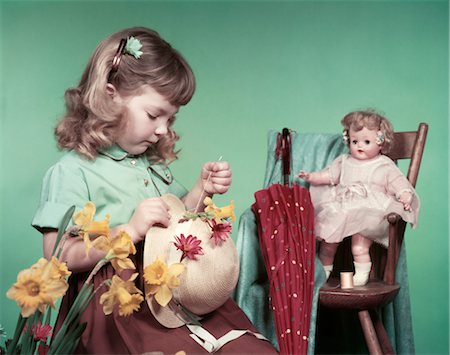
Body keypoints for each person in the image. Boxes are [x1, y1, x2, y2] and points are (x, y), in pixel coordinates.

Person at [32, 27, 277, 354]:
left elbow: (175, 219)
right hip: (119, 306)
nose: (162, 129)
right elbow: (57, 254)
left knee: (246, 348)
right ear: (109, 96)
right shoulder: (73, 172)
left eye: (170, 119)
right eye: (153, 115)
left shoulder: (150, 165)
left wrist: (201, 192)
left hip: (174, 291)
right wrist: (128, 231)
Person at [299, 110, 420, 286]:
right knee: (328, 241)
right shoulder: (344, 161)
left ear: (381, 142)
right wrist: (311, 177)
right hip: (343, 207)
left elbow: (398, 182)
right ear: (348, 139)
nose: (359, 146)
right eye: (354, 141)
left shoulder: (384, 165)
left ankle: (361, 274)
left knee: (359, 246)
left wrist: (405, 195)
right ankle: (323, 271)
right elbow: (329, 175)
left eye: (367, 141)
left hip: (368, 211)